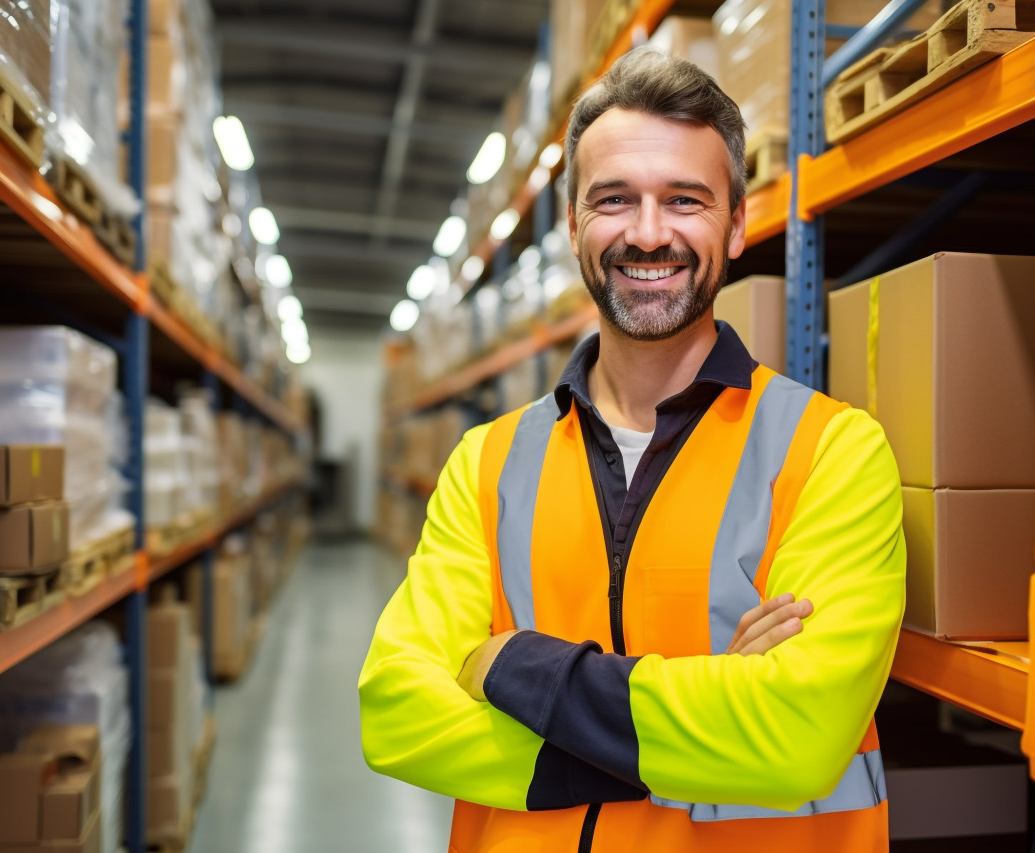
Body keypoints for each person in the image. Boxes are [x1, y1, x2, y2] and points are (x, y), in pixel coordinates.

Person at [359, 47, 906, 853]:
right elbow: (396, 712)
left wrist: (515, 666)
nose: (649, 234)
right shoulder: (487, 462)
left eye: (685, 199)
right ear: (575, 225)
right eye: (615, 200)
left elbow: (799, 732)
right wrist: (714, 713)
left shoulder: (832, 453)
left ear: (738, 219)